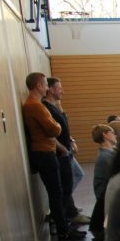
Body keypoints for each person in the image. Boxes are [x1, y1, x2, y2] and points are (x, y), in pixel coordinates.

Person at [43, 77, 88, 225]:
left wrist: (71, 140)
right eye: (60, 88)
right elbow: (49, 133)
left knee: (72, 178)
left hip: (65, 149)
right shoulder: (46, 108)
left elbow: (64, 125)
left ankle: (68, 209)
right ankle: (66, 212)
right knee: (67, 182)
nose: (63, 90)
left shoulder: (54, 106)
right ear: (50, 89)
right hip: (60, 152)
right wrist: (62, 148)